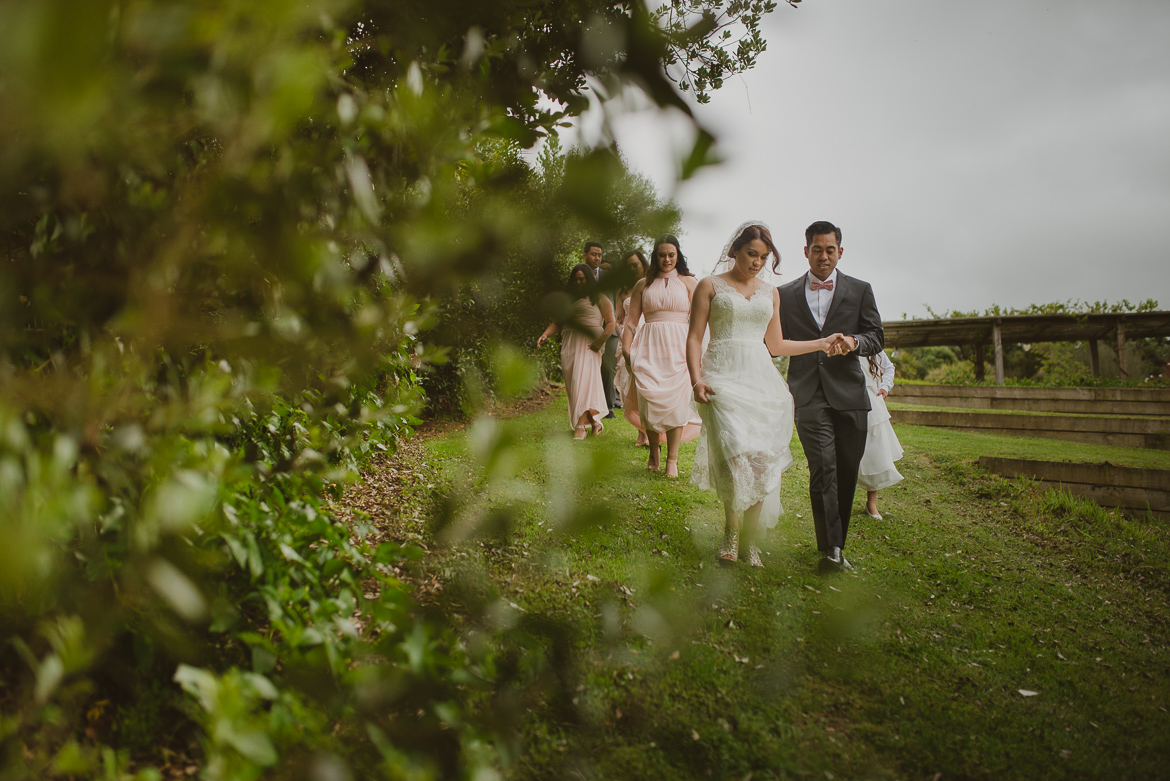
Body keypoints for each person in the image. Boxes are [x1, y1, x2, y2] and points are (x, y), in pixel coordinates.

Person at [688, 221, 843, 567]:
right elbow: (695, 337)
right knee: (732, 453)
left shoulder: (769, 293)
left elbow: (775, 344)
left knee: (759, 459)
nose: (757, 262)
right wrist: (696, 380)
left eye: (763, 257)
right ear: (735, 252)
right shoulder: (709, 286)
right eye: (751, 254)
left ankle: (750, 541)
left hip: (761, 379)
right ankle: (730, 532)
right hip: (721, 376)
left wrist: (821, 343)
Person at [777, 221, 884, 573]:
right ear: (805, 251)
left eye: (830, 250)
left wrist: (854, 343)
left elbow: (876, 336)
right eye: (817, 249)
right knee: (823, 468)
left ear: (840, 251)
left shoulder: (861, 290)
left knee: (847, 471)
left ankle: (836, 543)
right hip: (807, 392)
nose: (824, 257)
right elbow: (776, 342)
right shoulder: (785, 294)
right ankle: (832, 549)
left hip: (850, 393)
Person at [622, 235, 702, 477]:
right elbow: (631, 321)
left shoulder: (690, 283)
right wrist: (627, 348)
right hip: (648, 346)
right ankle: (654, 451)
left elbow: (700, 322)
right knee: (650, 400)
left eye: (671, 254)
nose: (666, 259)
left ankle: (672, 460)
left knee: (676, 403)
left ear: (678, 255)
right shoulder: (642, 285)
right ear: (655, 257)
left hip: (679, 347)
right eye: (661, 255)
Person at [538, 264, 615, 440]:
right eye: (576, 279)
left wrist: (599, 342)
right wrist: (545, 334)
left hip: (590, 344)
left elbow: (611, 323)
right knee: (575, 383)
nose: (579, 282)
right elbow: (557, 322)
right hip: (570, 344)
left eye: (583, 279)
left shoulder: (599, 297)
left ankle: (581, 426)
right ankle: (595, 422)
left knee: (584, 381)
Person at [857, 351, 904, 519]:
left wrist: (885, 387)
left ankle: (871, 502)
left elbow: (889, 367)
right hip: (847, 396)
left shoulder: (872, 345)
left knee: (874, 448)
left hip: (872, 399)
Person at [614, 250, 650, 447]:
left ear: (643, 264)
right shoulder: (623, 291)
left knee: (645, 383)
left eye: (635, 264)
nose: (631, 269)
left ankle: (647, 429)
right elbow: (619, 318)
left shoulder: (651, 284)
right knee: (630, 383)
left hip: (649, 335)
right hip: (628, 337)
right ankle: (641, 431)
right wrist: (624, 333)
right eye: (628, 266)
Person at [582, 240, 621, 419]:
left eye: (599, 255)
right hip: (584, 329)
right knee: (586, 369)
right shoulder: (578, 274)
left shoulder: (609, 277)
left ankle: (608, 407)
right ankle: (587, 406)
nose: (597, 258)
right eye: (593, 254)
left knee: (607, 368)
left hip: (609, 329)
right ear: (585, 255)